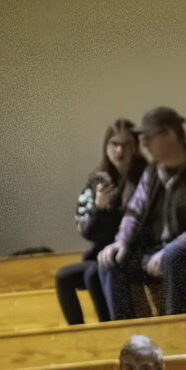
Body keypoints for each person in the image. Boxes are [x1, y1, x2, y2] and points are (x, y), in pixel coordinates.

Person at [103, 107, 186, 320]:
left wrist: (171, 249)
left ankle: (176, 328)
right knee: (114, 260)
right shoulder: (151, 173)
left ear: (170, 135)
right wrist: (121, 241)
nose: (142, 144)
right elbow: (134, 212)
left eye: (148, 138)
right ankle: (127, 332)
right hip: (161, 253)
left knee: (175, 257)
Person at [59, 120, 145, 325]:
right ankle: (78, 334)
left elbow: (140, 227)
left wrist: (113, 214)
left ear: (136, 147)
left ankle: (109, 329)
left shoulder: (145, 180)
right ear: (106, 148)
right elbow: (85, 230)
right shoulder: (98, 181)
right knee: (63, 277)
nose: (120, 150)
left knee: (93, 272)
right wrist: (99, 209)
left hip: (134, 251)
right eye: (114, 144)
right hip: (102, 253)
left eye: (126, 144)